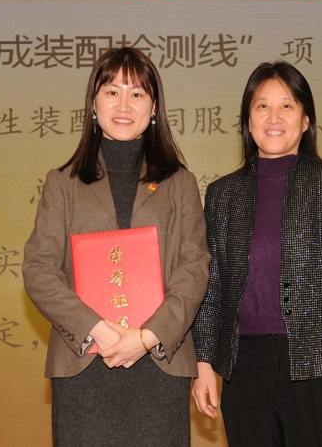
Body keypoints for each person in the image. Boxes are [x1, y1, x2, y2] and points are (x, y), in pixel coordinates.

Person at [22, 47, 210, 446]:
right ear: (93, 103)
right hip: (85, 364)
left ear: (154, 107)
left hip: (158, 363)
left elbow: (195, 269)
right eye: (112, 92)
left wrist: (147, 336)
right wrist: (95, 329)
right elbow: (39, 270)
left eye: (137, 93)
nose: (124, 105)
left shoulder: (180, 183)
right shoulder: (62, 183)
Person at [191, 60, 322, 446]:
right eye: (262, 106)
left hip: (317, 363)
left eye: (286, 105)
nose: (273, 117)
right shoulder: (222, 194)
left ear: (305, 120)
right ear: (248, 120)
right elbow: (211, 287)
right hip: (243, 366)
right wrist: (203, 362)